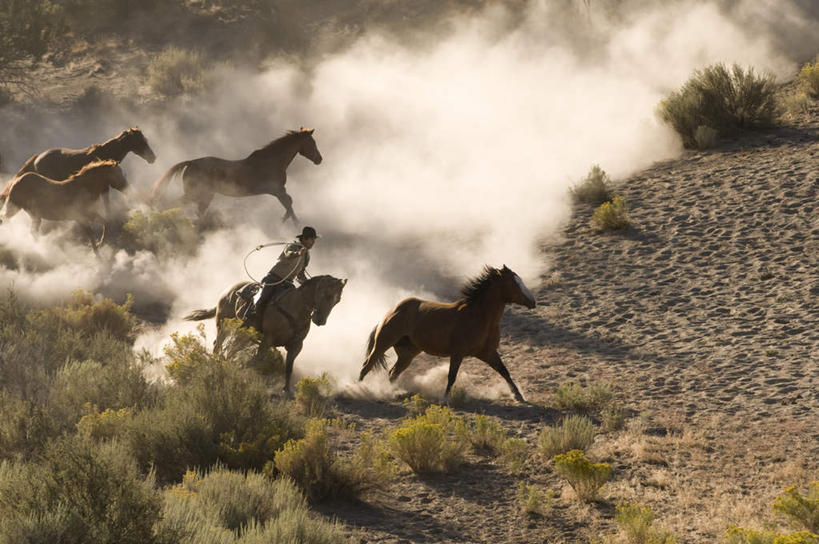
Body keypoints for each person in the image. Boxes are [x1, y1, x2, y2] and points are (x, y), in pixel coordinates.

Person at [242, 226, 319, 325]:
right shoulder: (292, 246)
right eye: (312, 239)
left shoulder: (307, 255)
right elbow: (288, 254)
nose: (313, 242)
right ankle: (249, 317)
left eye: (314, 240)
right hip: (274, 278)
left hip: (288, 283)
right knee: (263, 297)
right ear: (304, 239)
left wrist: (309, 284)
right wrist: (298, 253)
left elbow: (300, 275)